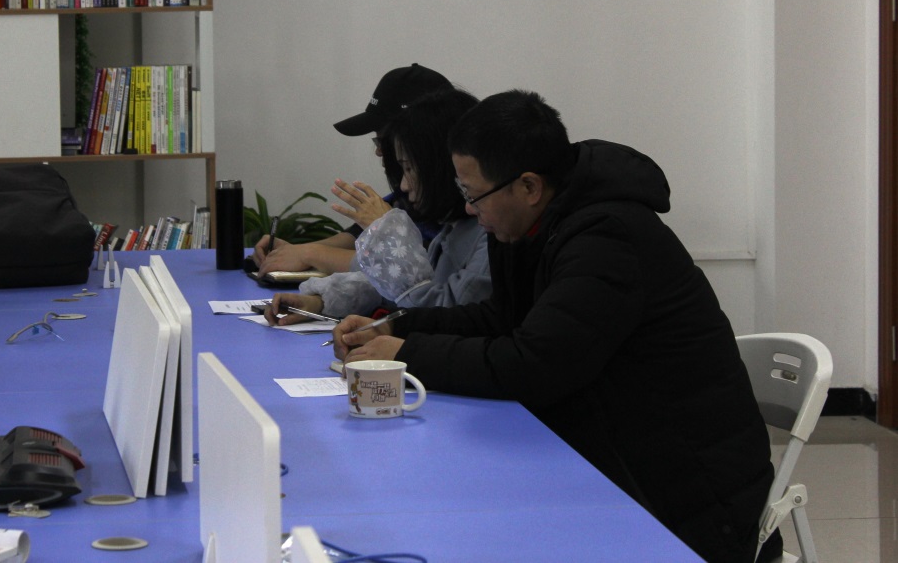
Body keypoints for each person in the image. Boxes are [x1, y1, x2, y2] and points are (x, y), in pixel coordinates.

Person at [333, 90, 778, 563]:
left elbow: (535, 364)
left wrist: (407, 355)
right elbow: (501, 319)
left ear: (528, 186)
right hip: (615, 457)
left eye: (471, 194)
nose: (468, 210)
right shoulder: (530, 224)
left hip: (685, 502)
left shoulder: (607, 237)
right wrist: (397, 327)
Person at [267, 88, 490, 320]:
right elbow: (394, 291)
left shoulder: (488, 236)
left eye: (409, 168)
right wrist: (320, 302)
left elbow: (438, 314)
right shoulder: (451, 229)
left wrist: (387, 235)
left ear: (440, 165)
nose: (403, 185)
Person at [252, 63, 454, 276]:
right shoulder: (407, 196)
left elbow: (419, 265)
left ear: (424, 142)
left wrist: (310, 254)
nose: (379, 152)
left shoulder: (462, 211)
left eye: (383, 141)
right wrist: (292, 251)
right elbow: (358, 235)